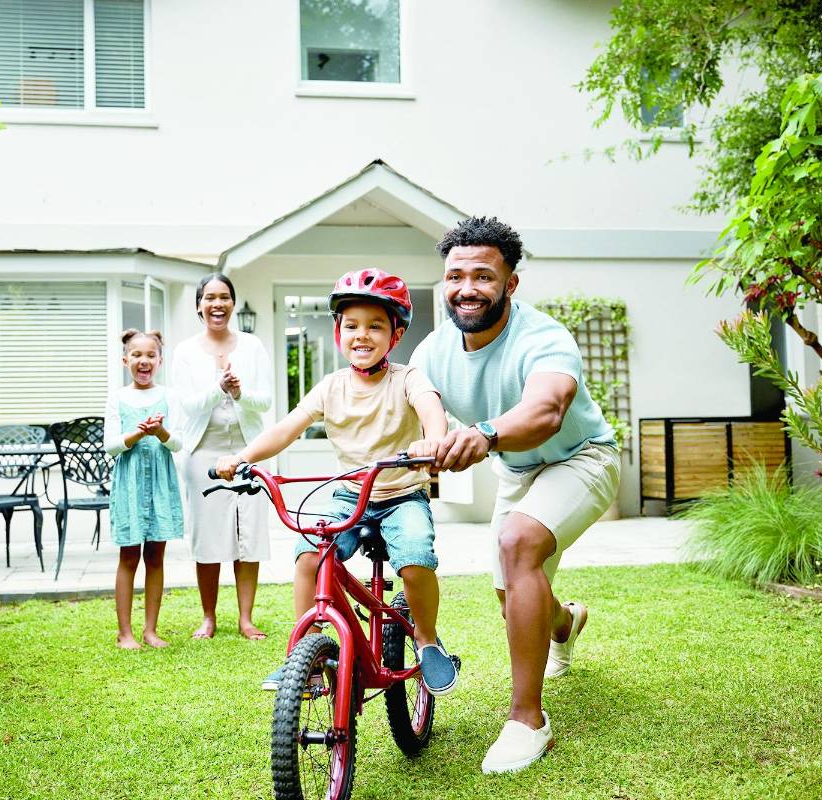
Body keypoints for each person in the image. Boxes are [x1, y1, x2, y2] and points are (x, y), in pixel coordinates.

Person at [409, 217, 621, 773]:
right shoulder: (435, 348)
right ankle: (563, 622)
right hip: (520, 470)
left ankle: (528, 722)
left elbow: (546, 412)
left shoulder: (543, 336)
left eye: (483, 275)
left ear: (511, 284)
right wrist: (434, 442)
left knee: (517, 542)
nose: (467, 288)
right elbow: (423, 397)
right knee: (512, 601)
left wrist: (484, 435)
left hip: (582, 458)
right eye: (456, 276)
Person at [215, 268, 459, 695]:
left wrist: (434, 442)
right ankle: (305, 653)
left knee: (416, 554)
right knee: (310, 551)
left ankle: (425, 638)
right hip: (351, 493)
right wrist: (242, 457)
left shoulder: (408, 378)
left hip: (402, 494)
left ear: (395, 335)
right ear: (338, 333)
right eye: (352, 326)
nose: (362, 335)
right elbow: (287, 428)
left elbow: (429, 408)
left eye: (375, 326)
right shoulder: (331, 387)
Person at [171, 273, 273, 640]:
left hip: (248, 449)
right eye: (210, 297)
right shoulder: (185, 352)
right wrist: (218, 388)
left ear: (232, 302)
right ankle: (209, 616)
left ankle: (246, 619)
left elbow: (265, 401)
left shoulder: (253, 346)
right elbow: (186, 405)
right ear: (199, 305)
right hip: (204, 452)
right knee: (208, 535)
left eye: (224, 297)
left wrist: (241, 392)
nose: (218, 304)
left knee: (248, 533)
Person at [104, 329, 184, 650]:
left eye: (150, 355)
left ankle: (150, 630)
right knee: (128, 557)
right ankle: (125, 633)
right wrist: (135, 435)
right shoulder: (118, 397)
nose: (143, 360)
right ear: (126, 360)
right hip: (129, 485)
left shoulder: (170, 396)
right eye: (136, 355)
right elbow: (110, 446)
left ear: (159, 360)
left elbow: (178, 443)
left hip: (161, 485)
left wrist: (160, 431)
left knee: (155, 557)